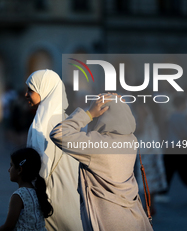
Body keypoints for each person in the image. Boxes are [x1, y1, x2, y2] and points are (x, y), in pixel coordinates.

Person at [50, 94, 153, 231]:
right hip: (133, 216)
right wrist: (119, 105)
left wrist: (88, 114)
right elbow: (119, 116)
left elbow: (58, 133)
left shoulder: (97, 144)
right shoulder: (131, 139)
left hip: (108, 219)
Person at [25, 69, 83, 231]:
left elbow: (39, 167)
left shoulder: (43, 124)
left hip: (50, 195)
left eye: (31, 90)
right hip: (71, 192)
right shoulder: (68, 120)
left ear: (45, 90)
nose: (26, 94)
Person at [157, 95, 187, 202]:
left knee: (167, 171)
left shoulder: (170, 116)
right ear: (182, 104)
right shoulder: (183, 117)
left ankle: (161, 193)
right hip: (178, 147)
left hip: (169, 146)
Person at [0, 148, 53, 231]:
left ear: (19, 170)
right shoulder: (37, 192)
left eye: (11, 166)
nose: (9, 170)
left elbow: (8, 226)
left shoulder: (18, 196)